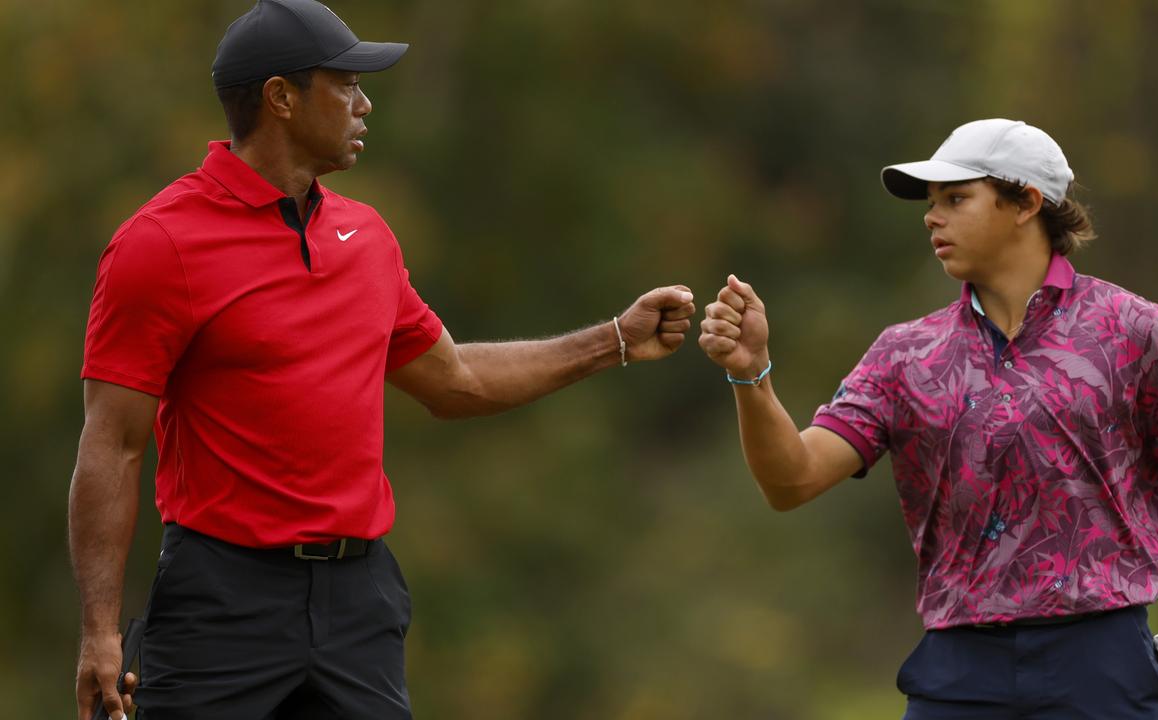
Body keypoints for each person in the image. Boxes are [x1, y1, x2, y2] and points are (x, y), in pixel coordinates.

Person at [69, 1, 696, 718]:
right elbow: (111, 445)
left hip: (357, 603)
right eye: (346, 85)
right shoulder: (160, 244)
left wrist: (612, 339)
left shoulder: (366, 238)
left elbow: (454, 381)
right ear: (280, 97)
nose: (365, 104)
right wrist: (98, 630)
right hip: (221, 601)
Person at [699, 118, 1158, 719]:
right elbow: (791, 481)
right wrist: (751, 375)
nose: (932, 217)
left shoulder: (1134, 330)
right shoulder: (905, 354)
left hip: (1100, 664)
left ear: (1026, 201)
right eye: (931, 203)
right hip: (957, 671)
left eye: (955, 198)